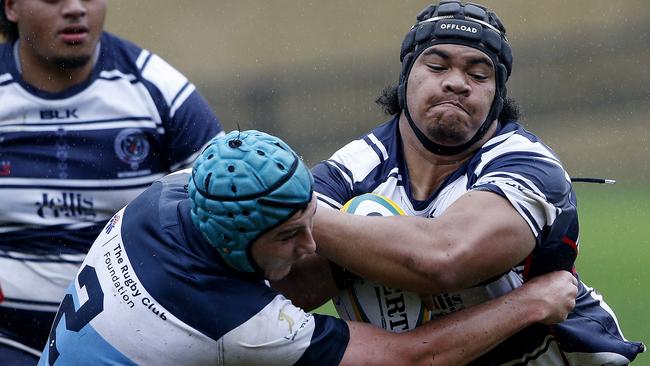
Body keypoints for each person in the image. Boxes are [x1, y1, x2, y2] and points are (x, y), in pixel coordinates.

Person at [38, 130, 577, 365]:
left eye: (308, 220)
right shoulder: (233, 324)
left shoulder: (166, 198)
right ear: (238, 242)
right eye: (290, 236)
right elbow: (415, 358)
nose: (314, 243)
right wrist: (532, 302)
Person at [298, 1, 646, 365]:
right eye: (436, 66)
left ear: (497, 97)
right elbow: (285, 285)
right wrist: (344, 249)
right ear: (405, 78)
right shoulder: (353, 167)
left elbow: (445, 258)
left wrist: (295, 211)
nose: (456, 83)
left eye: (479, 75)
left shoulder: (528, 164)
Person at [0, 0, 223, 362]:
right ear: (11, 7)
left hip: (130, 342)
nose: (75, 8)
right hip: (8, 338)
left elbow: (227, 199)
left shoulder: (156, 88)